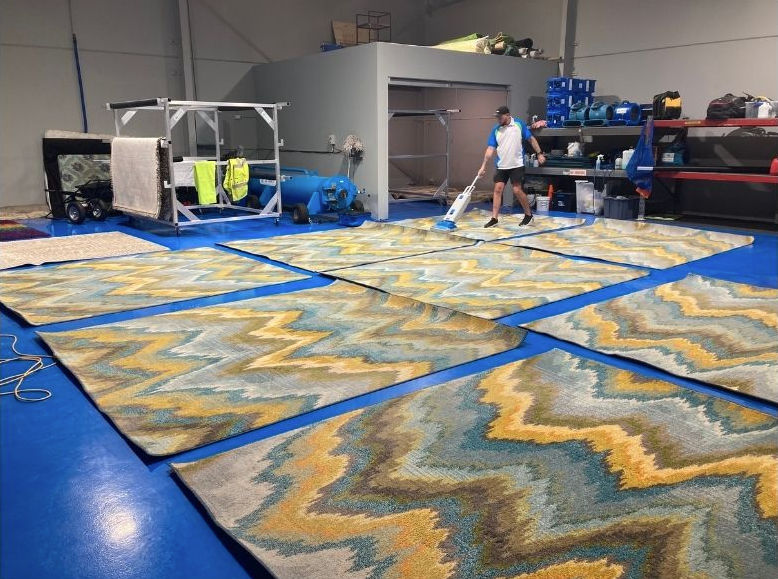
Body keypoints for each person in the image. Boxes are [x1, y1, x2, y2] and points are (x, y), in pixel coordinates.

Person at [478, 106, 546, 227]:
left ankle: (528, 215)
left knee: (517, 190)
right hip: (501, 165)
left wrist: (539, 153)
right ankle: (494, 218)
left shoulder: (519, 124)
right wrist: (483, 166)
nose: (498, 119)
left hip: (516, 164)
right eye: (497, 117)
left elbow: (531, 139)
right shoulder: (496, 129)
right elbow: (490, 149)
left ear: (508, 115)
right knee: (498, 189)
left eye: (500, 117)